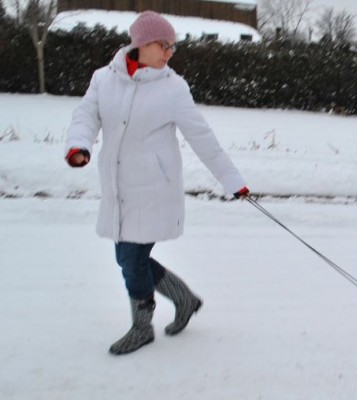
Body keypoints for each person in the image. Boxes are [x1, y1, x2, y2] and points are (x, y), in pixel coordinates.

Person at [64, 11, 250, 355]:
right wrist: (79, 145)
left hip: (153, 189)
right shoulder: (104, 79)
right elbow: (86, 116)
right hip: (118, 187)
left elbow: (202, 137)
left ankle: (141, 327)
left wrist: (232, 180)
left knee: (132, 259)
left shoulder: (173, 88)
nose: (169, 53)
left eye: (172, 47)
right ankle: (184, 299)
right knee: (127, 257)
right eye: (164, 45)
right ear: (141, 44)